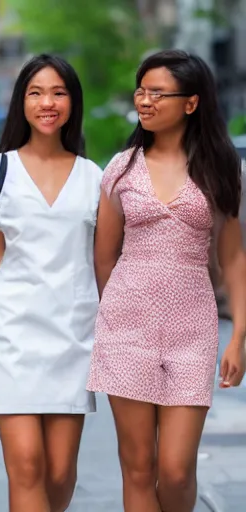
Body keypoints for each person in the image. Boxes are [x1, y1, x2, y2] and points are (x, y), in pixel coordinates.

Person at [90, 49, 246, 512]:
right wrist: (116, 318)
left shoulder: (220, 169)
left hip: (191, 329)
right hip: (126, 327)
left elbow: (234, 256)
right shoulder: (120, 169)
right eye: (141, 91)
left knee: (177, 471)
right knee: (137, 466)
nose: (145, 101)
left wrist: (238, 334)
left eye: (158, 92)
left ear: (192, 103)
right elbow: (104, 259)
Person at [0, 54, 100, 512]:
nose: (48, 103)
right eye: (36, 93)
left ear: (72, 102)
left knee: (60, 473)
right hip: (13, 334)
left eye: (58, 92)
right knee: (25, 465)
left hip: (73, 334)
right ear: (21, 102)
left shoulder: (94, 178)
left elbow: (105, 259)